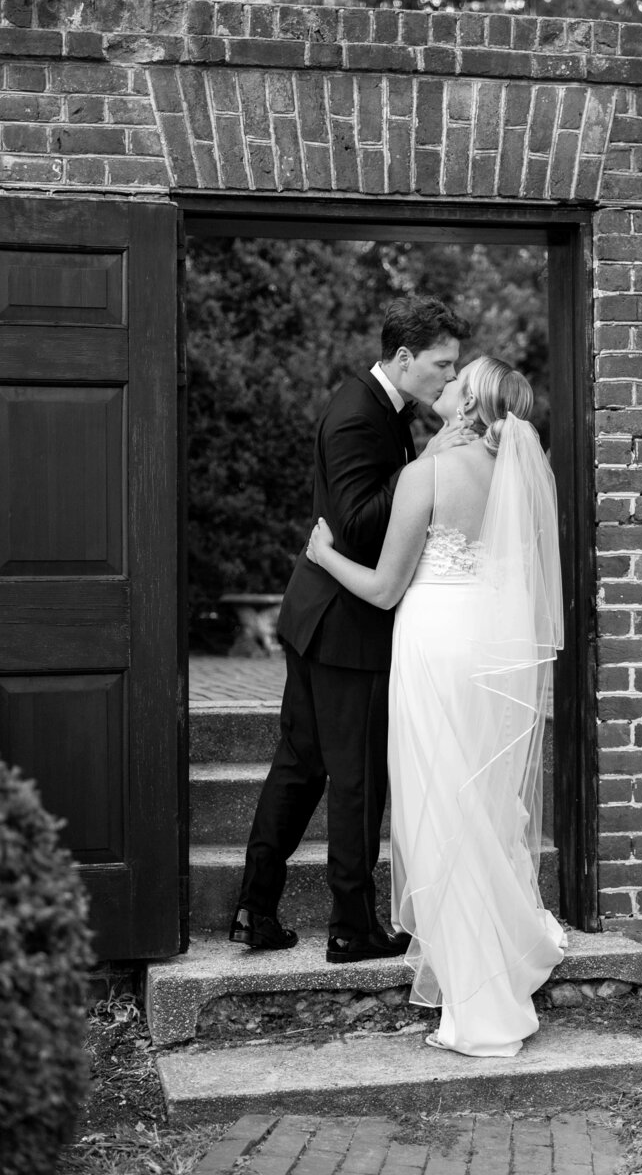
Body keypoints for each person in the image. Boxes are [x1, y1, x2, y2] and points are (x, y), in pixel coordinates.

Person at [306, 356, 565, 1055]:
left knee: (437, 811)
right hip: (488, 642)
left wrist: (324, 555)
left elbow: (387, 588)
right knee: (478, 804)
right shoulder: (513, 475)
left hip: (434, 646)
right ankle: (498, 959)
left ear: (467, 403)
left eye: (455, 381)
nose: (443, 386)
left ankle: (478, 1010)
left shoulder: (426, 474)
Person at [229, 296, 472, 963]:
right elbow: (361, 524)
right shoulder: (358, 414)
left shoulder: (381, 409)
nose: (449, 381)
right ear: (402, 357)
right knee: (357, 778)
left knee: (300, 767)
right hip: (346, 627)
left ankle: (256, 908)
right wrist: (426, 467)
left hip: (324, 617)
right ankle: (352, 926)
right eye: (440, 366)